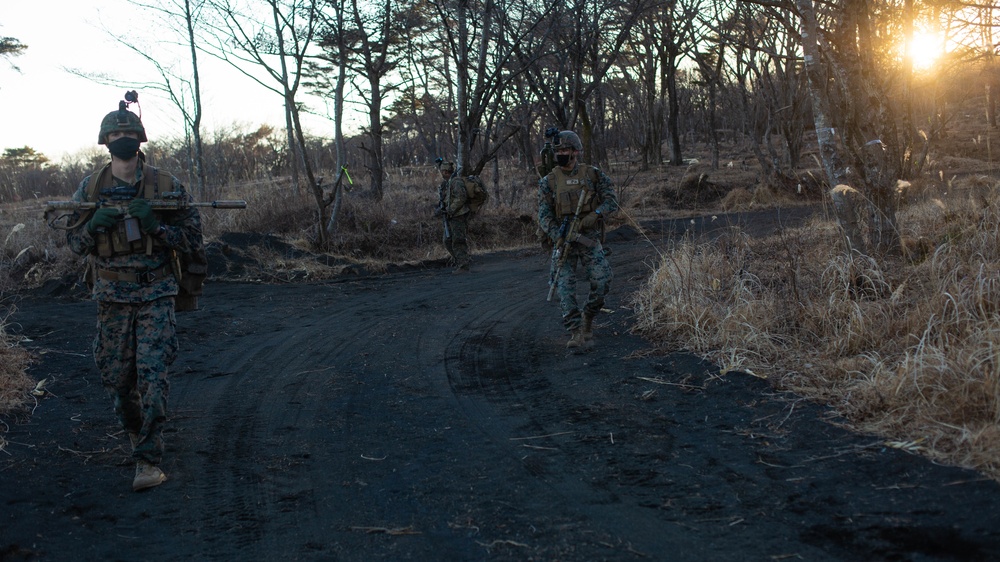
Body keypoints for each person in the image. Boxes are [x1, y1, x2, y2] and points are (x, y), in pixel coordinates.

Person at [63, 96, 204, 492]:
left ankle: (148, 459)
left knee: (152, 375)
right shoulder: (90, 188)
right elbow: (73, 246)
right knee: (117, 379)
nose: (122, 138)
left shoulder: (166, 186)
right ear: (105, 140)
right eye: (115, 133)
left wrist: (156, 228)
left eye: (128, 133)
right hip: (111, 296)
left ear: (140, 138)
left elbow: (193, 241)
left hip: (156, 293)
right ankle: (136, 429)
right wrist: (93, 227)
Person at [537, 130, 619, 349]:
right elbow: (543, 215)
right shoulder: (549, 181)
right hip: (563, 241)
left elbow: (612, 199)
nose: (561, 154)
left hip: (588, 238)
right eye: (558, 151)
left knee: (602, 282)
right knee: (564, 289)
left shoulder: (592, 174)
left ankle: (588, 319)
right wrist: (558, 235)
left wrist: (596, 214)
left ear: (575, 151)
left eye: (565, 150)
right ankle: (575, 331)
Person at [434, 159, 472, 273]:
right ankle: (461, 261)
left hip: (458, 216)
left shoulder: (456, 182)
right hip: (450, 216)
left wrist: (450, 210)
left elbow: (461, 198)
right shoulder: (446, 183)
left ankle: (463, 266)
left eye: (442, 172)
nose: (441, 174)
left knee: (458, 240)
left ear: (446, 172)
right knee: (447, 240)